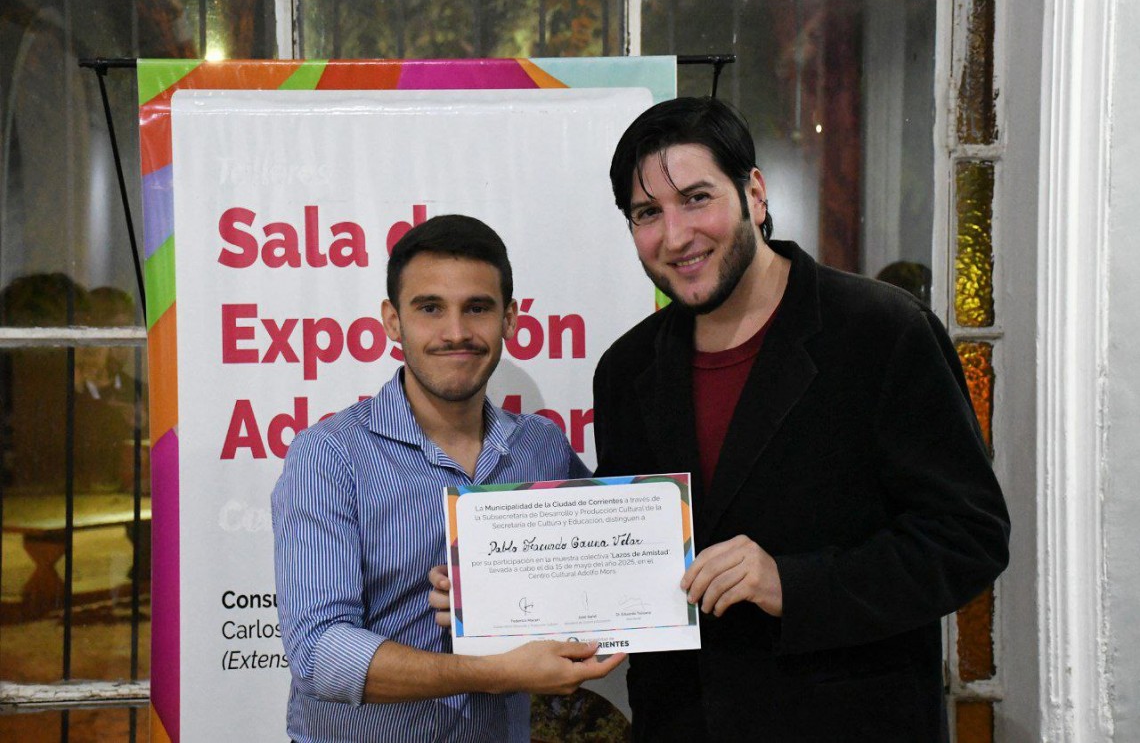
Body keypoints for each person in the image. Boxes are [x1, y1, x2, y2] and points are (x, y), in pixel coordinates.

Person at [591, 97, 1011, 741]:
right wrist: (491, 591)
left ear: (754, 194)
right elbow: (626, 558)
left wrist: (793, 584)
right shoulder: (626, 370)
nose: (674, 236)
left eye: (697, 198)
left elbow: (969, 539)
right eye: (648, 213)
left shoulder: (882, 331)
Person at [272, 214, 625, 743]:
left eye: (477, 308)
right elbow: (319, 655)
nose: (456, 332)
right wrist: (497, 671)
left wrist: (507, 591)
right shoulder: (329, 457)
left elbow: (605, 571)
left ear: (509, 319)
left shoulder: (542, 448)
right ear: (393, 321)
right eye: (430, 308)